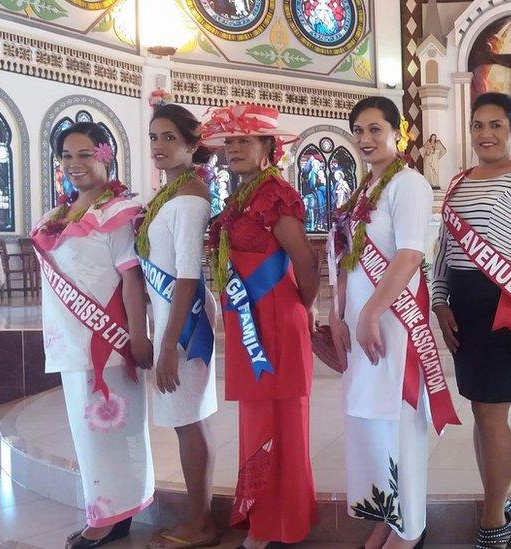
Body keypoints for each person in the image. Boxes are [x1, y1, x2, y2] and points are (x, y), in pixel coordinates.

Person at [328, 96, 459, 549]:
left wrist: (369, 314)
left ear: (397, 133)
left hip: (392, 322)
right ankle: (385, 511)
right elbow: (347, 257)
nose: (366, 139)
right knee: (368, 418)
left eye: (375, 129)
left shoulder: (409, 184)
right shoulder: (363, 190)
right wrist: (337, 310)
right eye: (359, 130)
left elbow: (408, 254)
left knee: (398, 420)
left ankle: (410, 528)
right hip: (362, 320)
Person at [432, 92, 511, 548]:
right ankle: (496, 502)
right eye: (478, 125)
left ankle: (492, 518)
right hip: (462, 306)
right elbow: (444, 248)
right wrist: (441, 302)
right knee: (481, 413)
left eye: (496, 125)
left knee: (493, 413)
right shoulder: (460, 180)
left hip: (504, 306)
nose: (486, 134)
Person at [202, 104, 321, 549]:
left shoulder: (276, 194)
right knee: (257, 418)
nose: (233, 149)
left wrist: (303, 307)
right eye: (229, 142)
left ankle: (277, 521)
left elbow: (305, 262)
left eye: (244, 141)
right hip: (246, 316)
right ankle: (265, 514)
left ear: (269, 148)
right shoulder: (241, 196)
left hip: (274, 319)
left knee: (280, 420)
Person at [31, 122, 153, 549]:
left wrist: (139, 337)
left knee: (115, 434)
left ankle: (111, 515)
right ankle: (108, 511)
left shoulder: (120, 213)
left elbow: (132, 282)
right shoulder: (55, 216)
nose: (74, 163)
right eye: (66, 155)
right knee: (87, 436)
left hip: (109, 344)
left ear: (106, 156)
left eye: (85, 154)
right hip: (68, 342)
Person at [140, 104, 221, 549]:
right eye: (154, 137)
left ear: (193, 144)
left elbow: (188, 274)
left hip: (183, 322)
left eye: (170, 137)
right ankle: (200, 516)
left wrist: (167, 344)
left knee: (188, 419)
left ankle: (202, 523)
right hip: (170, 316)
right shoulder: (168, 194)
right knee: (186, 420)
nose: (158, 146)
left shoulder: (189, 198)